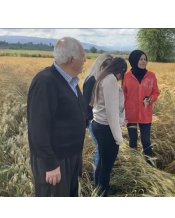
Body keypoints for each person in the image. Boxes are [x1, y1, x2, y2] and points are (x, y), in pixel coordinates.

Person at [27, 37, 86, 196]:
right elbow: (38, 128)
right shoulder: (46, 82)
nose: (86, 60)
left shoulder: (70, 81)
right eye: (83, 56)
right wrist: (50, 165)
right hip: (56, 161)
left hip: (70, 158)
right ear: (72, 59)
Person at [90, 57, 127, 196]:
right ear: (121, 70)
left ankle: (98, 189)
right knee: (107, 164)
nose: (121, 78)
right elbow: (111, 113)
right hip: (106, 128)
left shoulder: (102, 77)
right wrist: (119, 138)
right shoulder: (110, 80)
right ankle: (104, 193)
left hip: (98, 124)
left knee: (103, 161)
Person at [123, 50, 160, 165]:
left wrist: (151, 99)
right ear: (134, 60)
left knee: (146, 141)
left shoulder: (151, 76)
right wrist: (122, 113)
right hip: (131, 114)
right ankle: (134, 166)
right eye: (140, 59)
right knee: (133, 142)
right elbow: (123, 95)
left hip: (145, 114)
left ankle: (150, 166)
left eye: (145, 59)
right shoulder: (127, 76)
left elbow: (156, 92)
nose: (143, 61)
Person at [83, 54, 113, 182]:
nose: (108, 68)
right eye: (106, 65)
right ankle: (98, 183)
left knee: (102, 151)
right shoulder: (92, 80)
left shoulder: (102, 79)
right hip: (93, 121)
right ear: (100, 64)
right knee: (101, 152)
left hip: (100, 121)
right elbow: (85, 104)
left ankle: (101, 180)